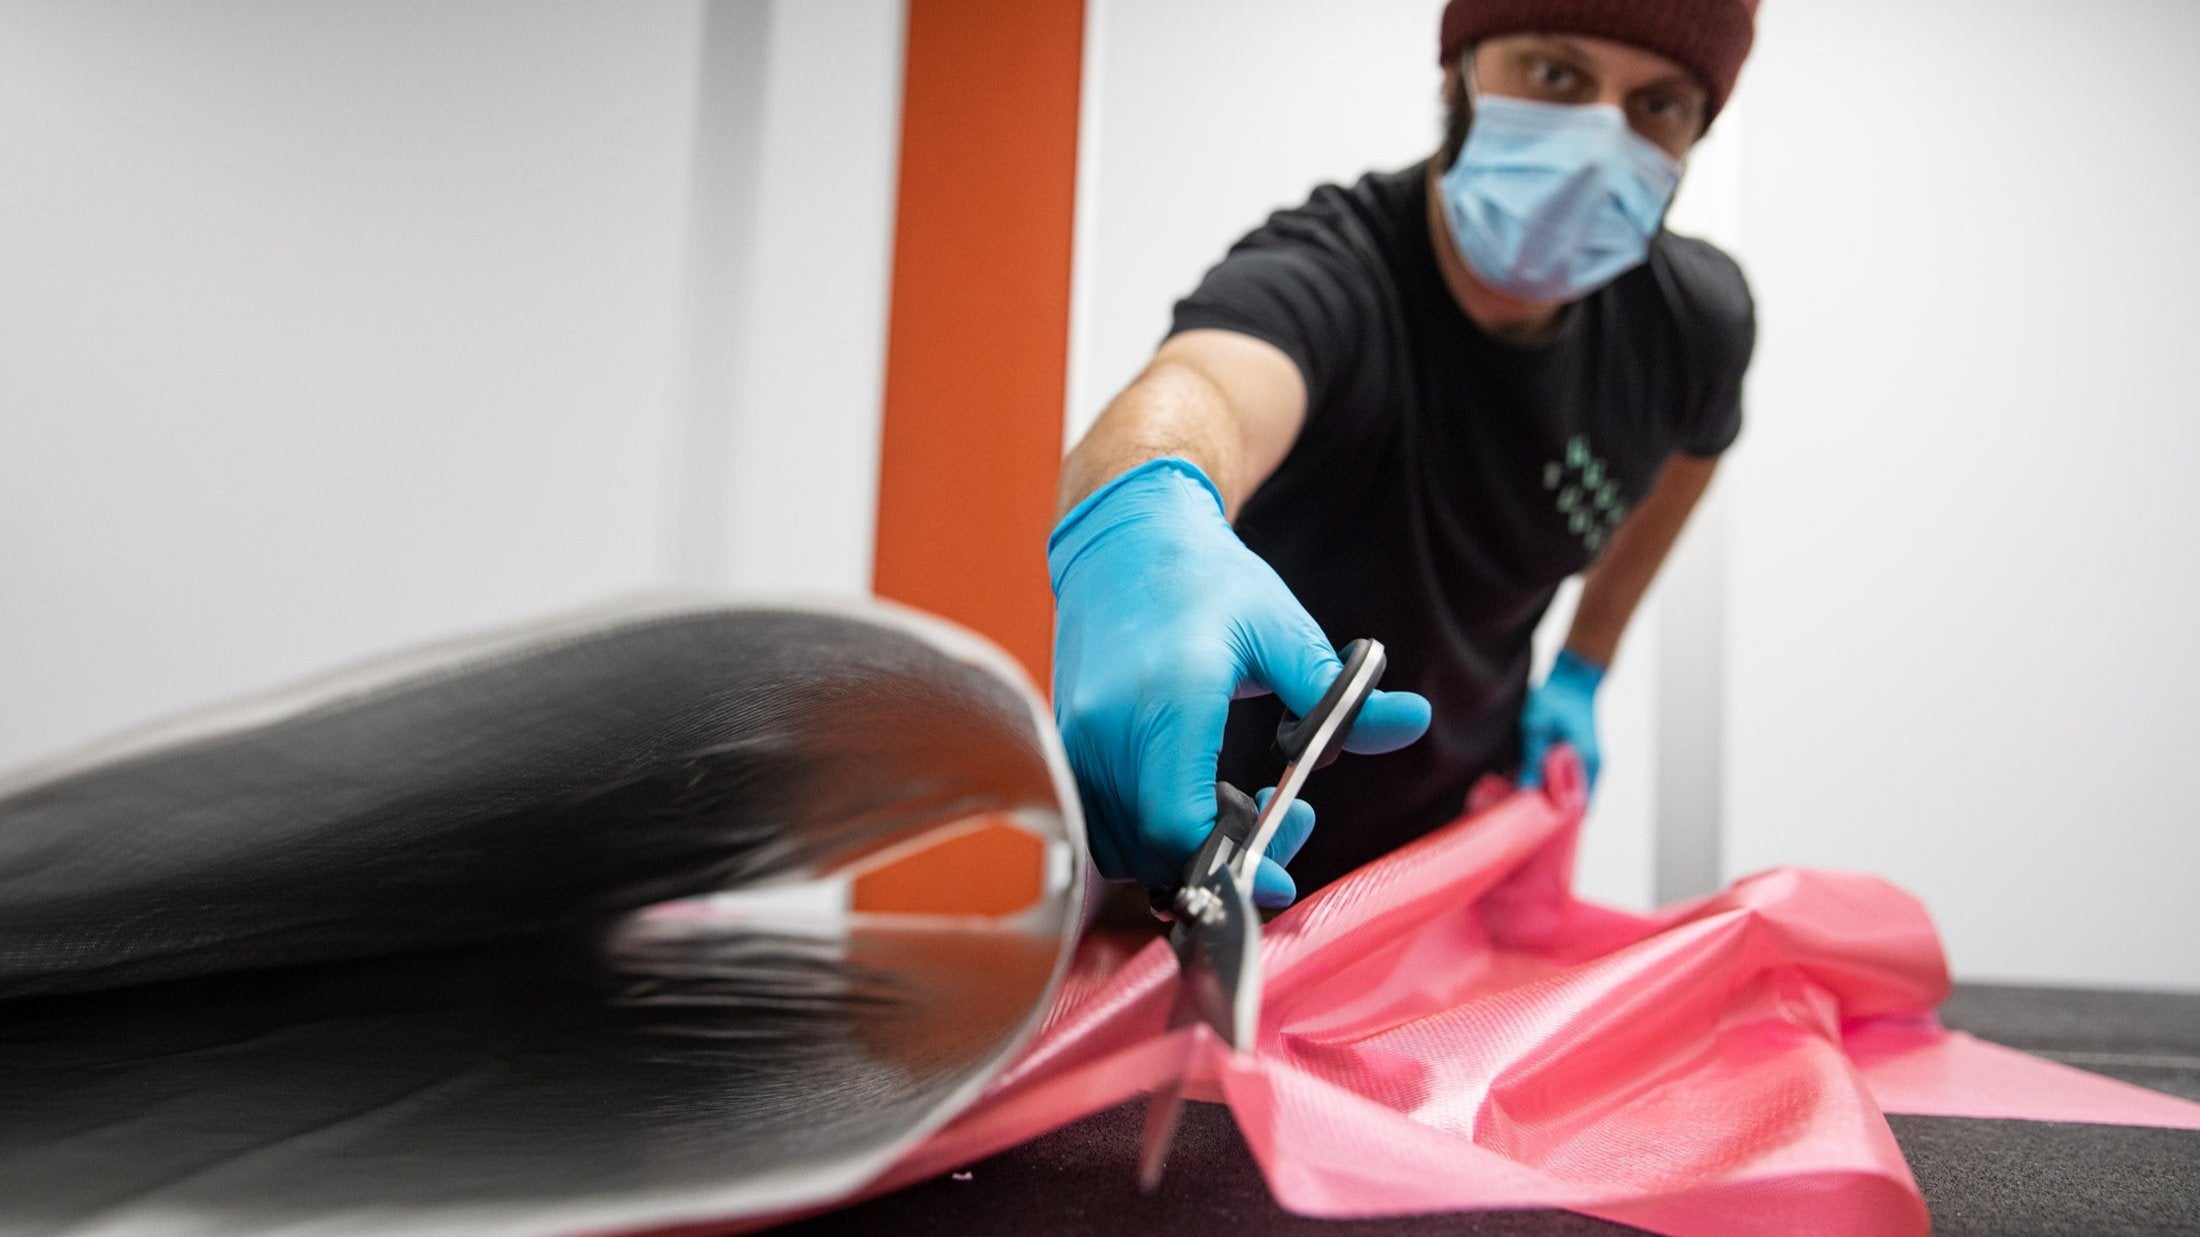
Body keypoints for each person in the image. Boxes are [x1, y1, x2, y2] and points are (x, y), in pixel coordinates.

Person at [1049, 0, 1759, 908]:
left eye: (1658, 104)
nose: (1597, 139)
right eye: (1555, 74)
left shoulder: (1691, 324)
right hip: (1194, 836)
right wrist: (1139, 518)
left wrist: (1586, 662)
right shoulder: (1335, 272)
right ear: (1457, 73)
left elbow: (1693, 457)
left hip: (1444, 860)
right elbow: (1205, 390)